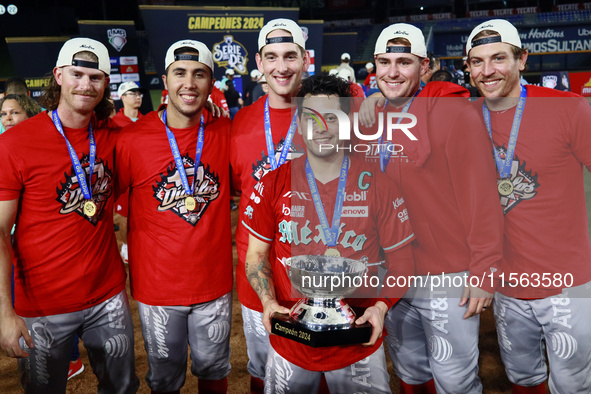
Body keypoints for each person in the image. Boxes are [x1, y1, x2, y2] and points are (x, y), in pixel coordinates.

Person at [244, 73, 415, 392]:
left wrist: (380, 307)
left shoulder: (379, 185)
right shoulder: (272, 183)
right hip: (291, 343)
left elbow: (403, 260)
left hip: (358, 341)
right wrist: (267, 301)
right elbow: (256, 254)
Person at [362, 23, 503, 392]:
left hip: (446, 275)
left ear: (425, 68)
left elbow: (482, 196)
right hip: (391, 274)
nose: (392, 72)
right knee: (410, 372)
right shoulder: (370, 119)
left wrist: (485, 269)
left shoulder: (454, 113)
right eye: (384, 62)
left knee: (455, 381)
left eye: (404, 62)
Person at [0, 37, 139, 393]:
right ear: (58, 76)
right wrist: (4, 313)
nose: (85, 85)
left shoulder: (117, 136)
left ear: (106, 83)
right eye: (77, 74)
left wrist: (208, 113)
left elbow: (166, 133)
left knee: (122, 388)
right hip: (42, 305)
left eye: (95, 77)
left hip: (107, 295)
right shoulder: (16, 143)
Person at [465, 19, 591, 393]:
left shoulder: (568, 109)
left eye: (498, 58)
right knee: (523, 377)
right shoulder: (464, 118)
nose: (487, 71)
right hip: (504, 283)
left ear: (522, 59)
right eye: (477, 61)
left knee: (572, 384)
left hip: (565, 282)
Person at [115, 39, 232, 394]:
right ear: (164, 81)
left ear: (211, 84)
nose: (189, 83)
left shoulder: (227, 132)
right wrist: (122, 249)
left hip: (213, 285)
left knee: (213, 371)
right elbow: (112, 207)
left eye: (200, 74)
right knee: (165, 380)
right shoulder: (131, 139)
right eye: (179, 73)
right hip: (157, 287)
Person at [230, 18, 309, 393]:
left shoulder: (337, 115)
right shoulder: (237, 124)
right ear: (259, 63)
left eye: (290, 56)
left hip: (320, 273)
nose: (282, 67)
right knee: (262, 367)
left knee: (322, 367)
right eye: (272, 57)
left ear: (305, 59)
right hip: (258, 275)